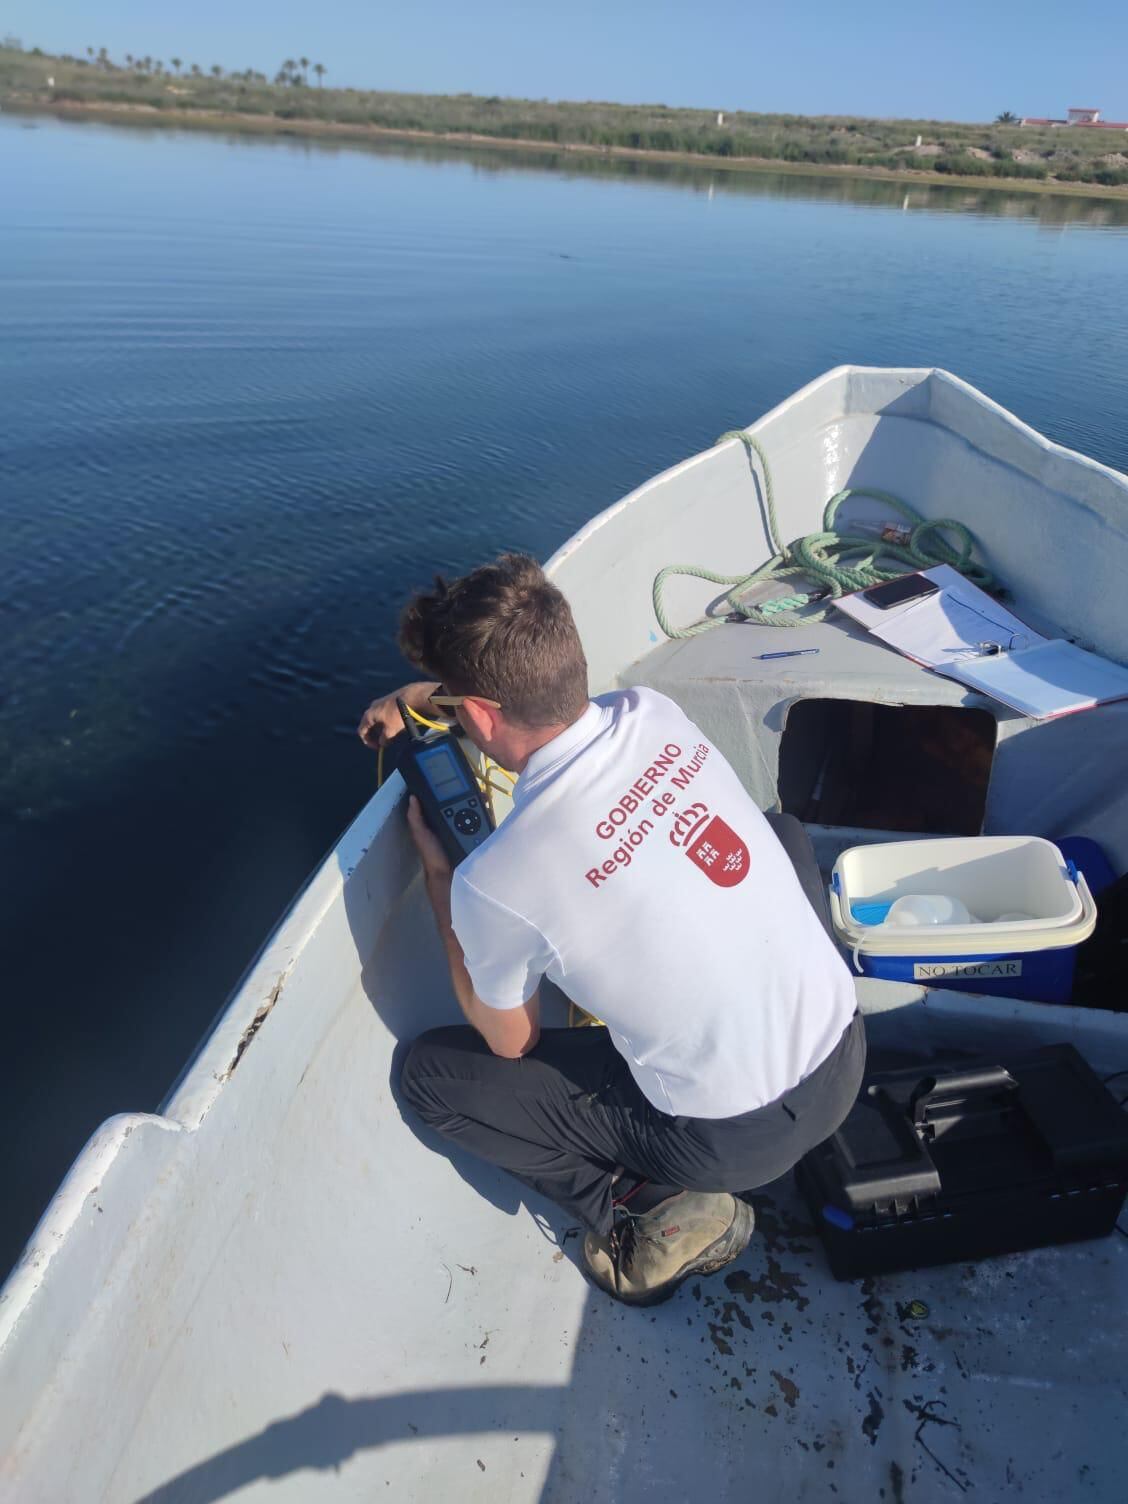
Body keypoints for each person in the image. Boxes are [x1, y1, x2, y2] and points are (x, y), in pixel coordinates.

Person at [358, 553, 865, 1306]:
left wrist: (441, 877)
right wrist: (426, 696)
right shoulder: (652, 712)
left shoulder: (494, 879)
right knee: (780, 831)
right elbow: (522, 699)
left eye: (459, 708)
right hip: (845, 1054)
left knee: (430, 1078)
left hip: (729, 1143)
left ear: (482, 716)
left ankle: (642, 1208)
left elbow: (512, 1044)